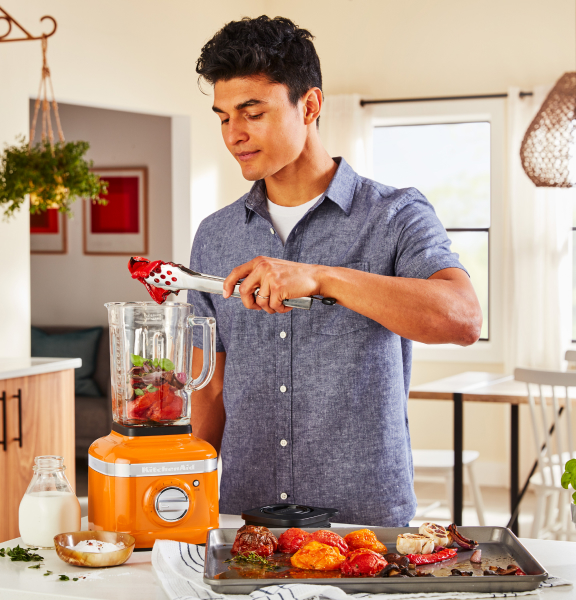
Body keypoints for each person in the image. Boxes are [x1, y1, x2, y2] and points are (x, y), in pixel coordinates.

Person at [187, 16, 482, 526]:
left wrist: (324, 278)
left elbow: (463, 319)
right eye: (223, 117)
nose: (234, 135)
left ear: (310, 106)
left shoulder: (395, 215)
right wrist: (186, 495)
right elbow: (210, 386)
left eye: (253, 113)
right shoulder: (214, 236)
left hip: (364, 524)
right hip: (244, 519)